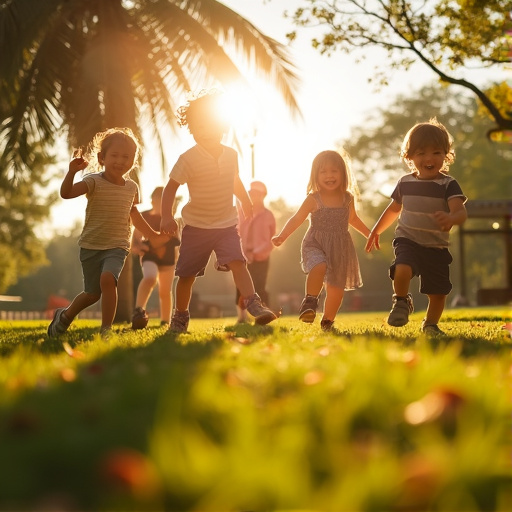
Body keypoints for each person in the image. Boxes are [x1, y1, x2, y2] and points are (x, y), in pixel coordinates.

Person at [160, 90, 277, 332]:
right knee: (186, 275)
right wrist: (166, 215)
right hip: (196, 226)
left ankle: (254, 304)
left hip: (226, 225)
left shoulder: (231, 154)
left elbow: (234, 180)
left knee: (238, 262)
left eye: (212, 124)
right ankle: (180, 316)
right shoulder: (188, 158)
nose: (207, 130)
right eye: (200, 125)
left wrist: (245, 200)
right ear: (191, 128)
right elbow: (170, 187)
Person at [47, 128, 168, 338]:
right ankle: (65, 316)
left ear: (133, 161)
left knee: (107, 280)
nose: (120, 161)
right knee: (92, 294)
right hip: (91, 246)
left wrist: (153, 234)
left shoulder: (132, 187)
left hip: (117, 246)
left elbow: (134, 215)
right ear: (102, 158)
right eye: (114, 155)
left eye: (126, 157)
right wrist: (72, 172)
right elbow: (66, 194)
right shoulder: (93, 181)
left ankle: (106, 330)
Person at [365, 118, 467, 335]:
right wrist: (376, 230)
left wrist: (451, 218)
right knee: (402, 269)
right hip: (408, 239)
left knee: (438, 293)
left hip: (436, 247)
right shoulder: (405, 183)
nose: (429, 158)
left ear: (446, 155)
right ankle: (401, 301)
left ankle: (430, 324)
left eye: (436, 152)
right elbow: (394, 209)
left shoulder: (448, 184)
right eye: (421, 153)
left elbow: (460, 211)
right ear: (409, 157)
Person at [272, 149, 370, 331]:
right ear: (315, 175)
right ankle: (310, 301)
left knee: (336, 290)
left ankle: (327, 321)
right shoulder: (313, 199)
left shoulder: (347, 198)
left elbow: (353, 219)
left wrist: (370, 234)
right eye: (323, 171)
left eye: (334, 171)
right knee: (319, 266)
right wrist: (282, 236)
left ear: (343, 173)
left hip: (340, 248)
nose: (329, 175)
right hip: (315, 244)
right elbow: (297, 218)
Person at [131, 186, 181, 328]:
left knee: (165, 290)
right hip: (149, 256)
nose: (156, 203)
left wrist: (157, 240)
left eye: (160, 200)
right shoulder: (144, 216)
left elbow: (173, 239)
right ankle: (138, 312)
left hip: (168, 257)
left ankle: (165, 321)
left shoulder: (171, 220)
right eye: (155, 200)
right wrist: (139, 245)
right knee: (150, 278)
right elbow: (136, 238)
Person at [235, 180, 276, 323]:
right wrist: (244, 251)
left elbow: (272, 238)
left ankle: (263, 315)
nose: (254, 196)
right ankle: (242, 317)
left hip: (262, 256)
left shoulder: (268, 215)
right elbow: (237, 231)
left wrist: (258, 251)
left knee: (260, 285)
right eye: (251, 193)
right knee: (241, 286)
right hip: (244, 254)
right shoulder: (243, 212)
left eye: (257, 194)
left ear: (263, 195)